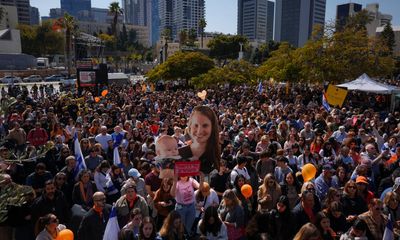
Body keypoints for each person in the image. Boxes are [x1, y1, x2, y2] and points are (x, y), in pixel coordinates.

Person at [178, 105, 221, 175]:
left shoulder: (216, 152)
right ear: (190, 126)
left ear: (212, 128)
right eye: (196, 125)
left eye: (205, 125)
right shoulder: (179, 154)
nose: (199, 131)